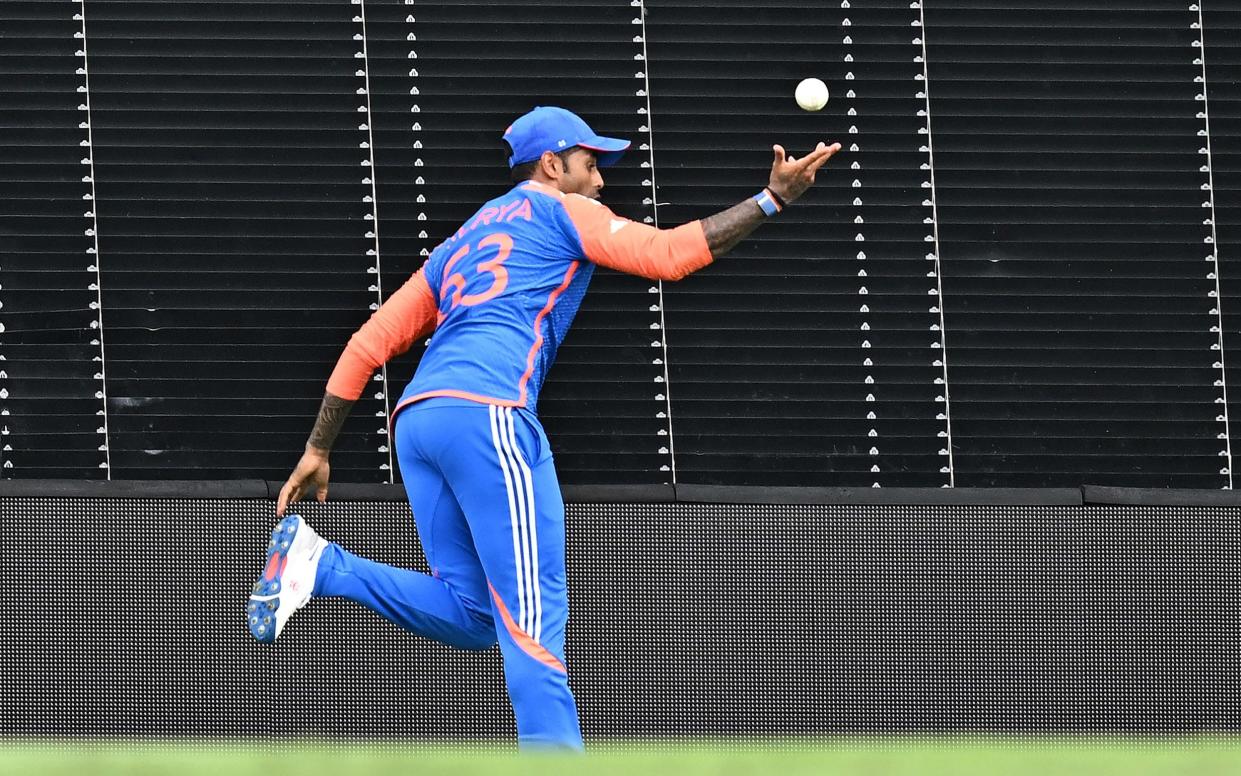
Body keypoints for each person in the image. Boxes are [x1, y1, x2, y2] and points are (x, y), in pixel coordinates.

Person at [246, 105, 840, 750]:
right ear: (552, 165)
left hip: (419, 424)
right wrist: (772, 199)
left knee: (478, 615)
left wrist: (317, 449)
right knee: (533, 620)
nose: (602, 181)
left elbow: (367, 345)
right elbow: (670, 255)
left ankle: (322, 564)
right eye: (591, 164)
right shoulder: (564, 209)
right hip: (490, 415)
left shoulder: (462, 240)